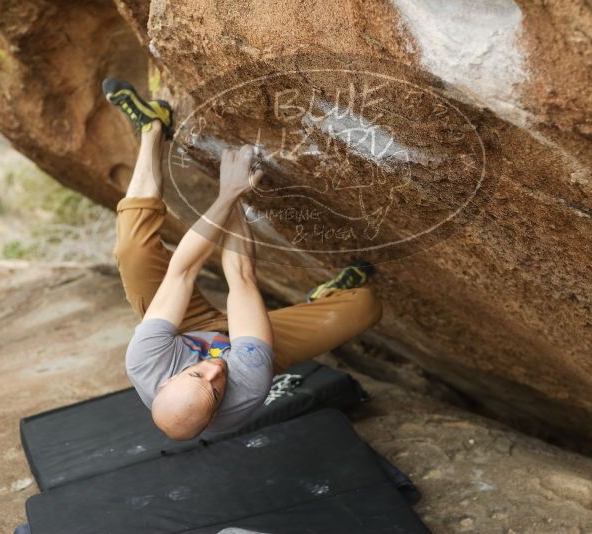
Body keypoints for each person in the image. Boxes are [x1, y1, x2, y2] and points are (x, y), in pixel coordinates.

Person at [103, 79, 382, 441]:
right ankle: (322, 299)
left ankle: (153, 127)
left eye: (197, 374)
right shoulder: (247, 383)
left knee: (133, 251)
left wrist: (227, 194)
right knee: (365, 305)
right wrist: (234, 195)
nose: (216, 372)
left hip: (185, 326)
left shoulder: (145, 360)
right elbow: (242, 278)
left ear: (168, 379)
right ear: (217, 408)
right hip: (246, 341)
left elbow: (182, 272)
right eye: (215, 390)